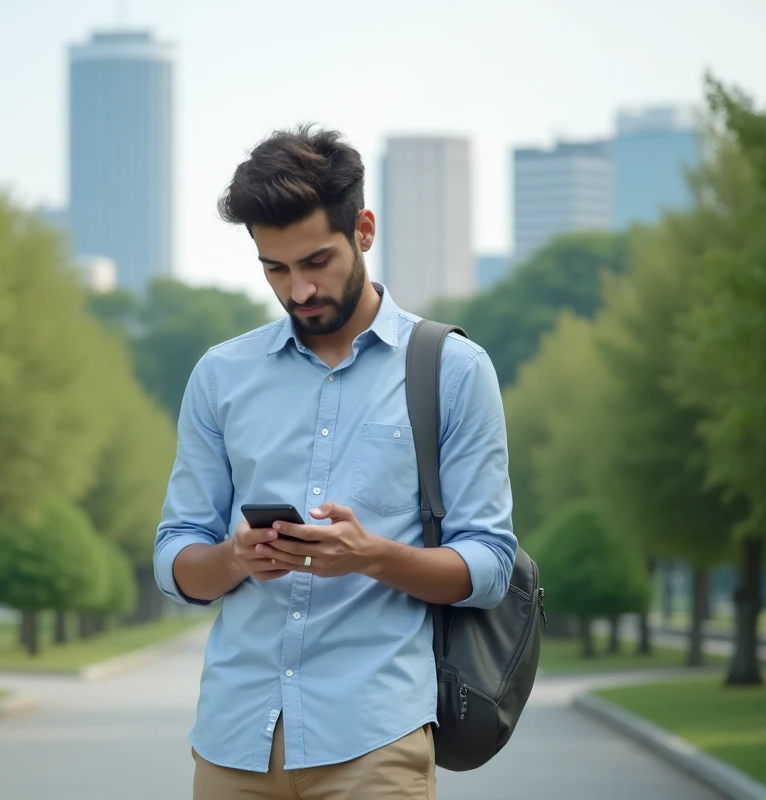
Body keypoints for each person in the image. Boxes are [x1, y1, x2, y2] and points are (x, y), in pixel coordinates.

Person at [153, 124, 517, 800]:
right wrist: (235, 559)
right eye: (275, 268)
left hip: (374, 741)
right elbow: (175, 559)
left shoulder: (454, 371)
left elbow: (490, 566)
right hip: (234, 740)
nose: (298, 291)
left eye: (316, 261)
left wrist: (370, 555)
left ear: (365, 231)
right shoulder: (220, 376)